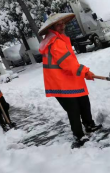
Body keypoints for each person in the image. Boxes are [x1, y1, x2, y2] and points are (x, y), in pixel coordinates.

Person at [38, 13, 101, 147]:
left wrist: (82, 72)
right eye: (58, 24)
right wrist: (85, 71)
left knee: (84, 102)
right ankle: (79, 135)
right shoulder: (55, 43)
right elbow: (67, 63)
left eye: (63, 23)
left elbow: (69, 63)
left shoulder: (59, 39)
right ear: (53, 27)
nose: (62, 26)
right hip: (61, 83)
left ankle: (89, 125)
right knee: (74, 110)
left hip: (70, 80)